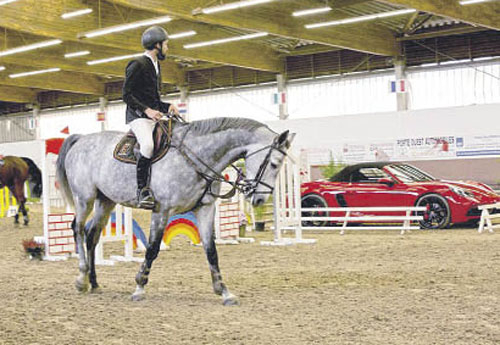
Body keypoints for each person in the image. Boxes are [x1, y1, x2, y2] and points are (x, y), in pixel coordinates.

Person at [123, 26, 179, 209]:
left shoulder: (156, 65)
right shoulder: (137, 63)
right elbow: (127, 95)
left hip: (154, 116)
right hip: (138, 117)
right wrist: (147, 111)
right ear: (157, 45)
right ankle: (142, 190)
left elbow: (152, 98)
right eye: (166, 45)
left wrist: (167, 106)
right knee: (147, 145)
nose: (167, 48)